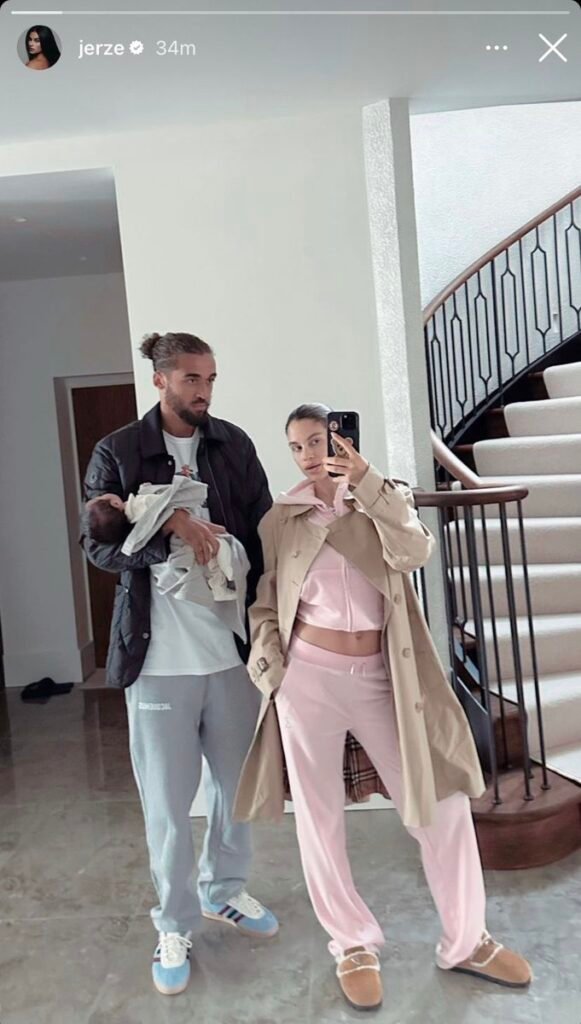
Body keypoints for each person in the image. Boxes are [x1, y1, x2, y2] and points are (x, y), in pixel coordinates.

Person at [234, 403, 532, 1012]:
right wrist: (270, 665)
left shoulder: (381, 498)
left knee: (441, 804)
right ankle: (351, 942)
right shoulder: (281, 517)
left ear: (341, 441)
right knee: (319, 818)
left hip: (382, 675)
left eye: (319, 441)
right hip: (307, 680)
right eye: (297, 446)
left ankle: (467, 940)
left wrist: (364, 481)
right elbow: (267, 600)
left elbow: (414, 551)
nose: (309, 454)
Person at [81, 332, 278, 997]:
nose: (204, 391)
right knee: (167, 805)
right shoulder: (117, 452)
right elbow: (98, 547)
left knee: (236, 788)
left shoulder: (233, 444)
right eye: (192, 378)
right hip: (158, 659)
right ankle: (173, 921)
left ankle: (225, 889)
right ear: (161, 380)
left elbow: (263, 532)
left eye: (211, 378)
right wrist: (169, 527)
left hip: (229, 653)